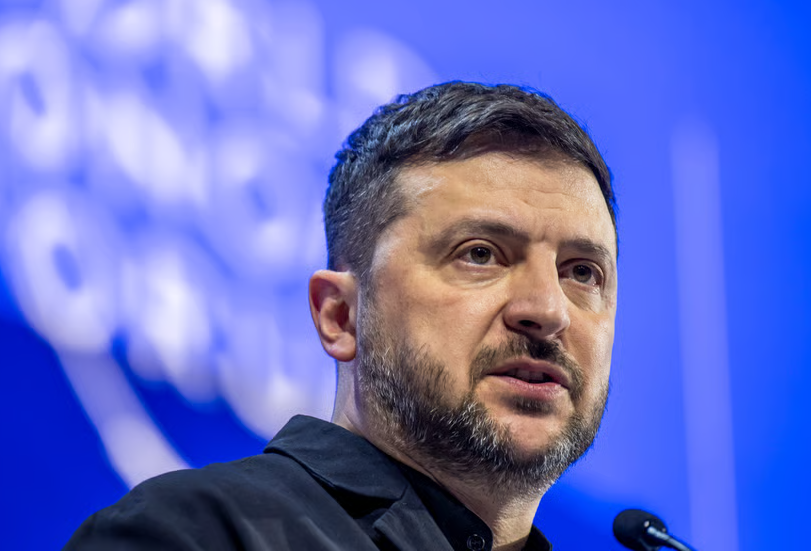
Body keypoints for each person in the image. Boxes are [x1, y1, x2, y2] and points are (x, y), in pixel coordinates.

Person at [64, 81, 619, 551]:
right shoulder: (197, 531)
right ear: (341, 315)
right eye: (479, 254)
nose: (548, 311)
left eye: (582, 272)